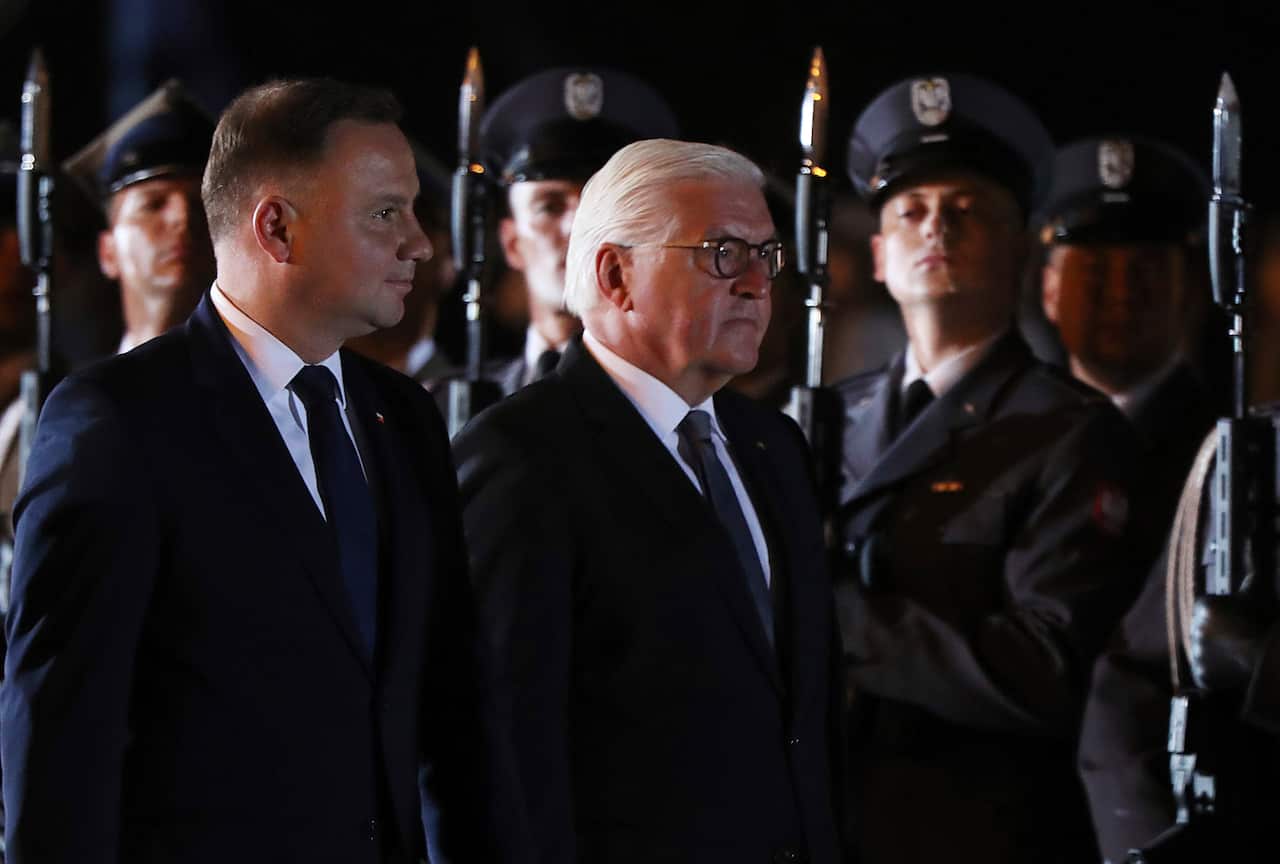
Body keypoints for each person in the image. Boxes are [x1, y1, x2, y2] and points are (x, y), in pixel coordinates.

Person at [1, 78, 493, 864]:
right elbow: (63, 736)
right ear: (277, 227)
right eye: (385, 213)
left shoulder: (402, 419)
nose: (420, 244)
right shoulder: (119, 422)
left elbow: (447, 714)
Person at [453, 138, 843, 864]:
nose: (759, 283)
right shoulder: (522, 457)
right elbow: (497, 752)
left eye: (768, 254)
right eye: (724, 252)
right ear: (616, 274)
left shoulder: (773, 448)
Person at [833, 74, 1143, 864]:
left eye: (969, 211)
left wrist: (838, 617)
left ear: (1018, 245)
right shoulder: (829, 417)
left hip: (975, 830)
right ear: (878, 255)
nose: (936, 226)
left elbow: (1049, 670)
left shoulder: (1069, 431)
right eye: (911, 212)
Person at [436, 67, 678, 396]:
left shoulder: (690, 403)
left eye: (600, 203)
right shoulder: (443, 407)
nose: (578, 226)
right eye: (549, 207)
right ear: (512, 243)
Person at [63, 79, 216, 356]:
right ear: (108, 252)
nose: (182, 218)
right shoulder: (79, 396)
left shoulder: (275, 391)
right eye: (153, 204)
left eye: (202, 204)